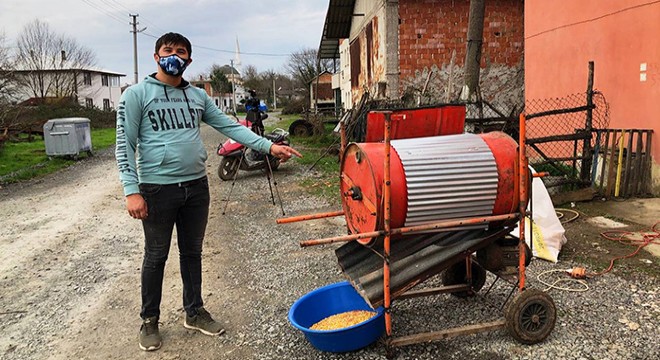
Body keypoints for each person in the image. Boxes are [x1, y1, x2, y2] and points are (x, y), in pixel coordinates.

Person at [115, 32, 301, 352]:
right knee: (156, 256)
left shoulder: (198, 97)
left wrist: (269, 145)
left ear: (189, 59)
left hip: (196, 188)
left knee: (192, 253)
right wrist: (132, 191)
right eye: (168, 50)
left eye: (181, 51)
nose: (174, 55)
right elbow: (124, 146)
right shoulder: (136, 95)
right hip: (157, 189)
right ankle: (149, 320)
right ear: (156, 56)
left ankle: (195, 311)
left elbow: (231, 127)